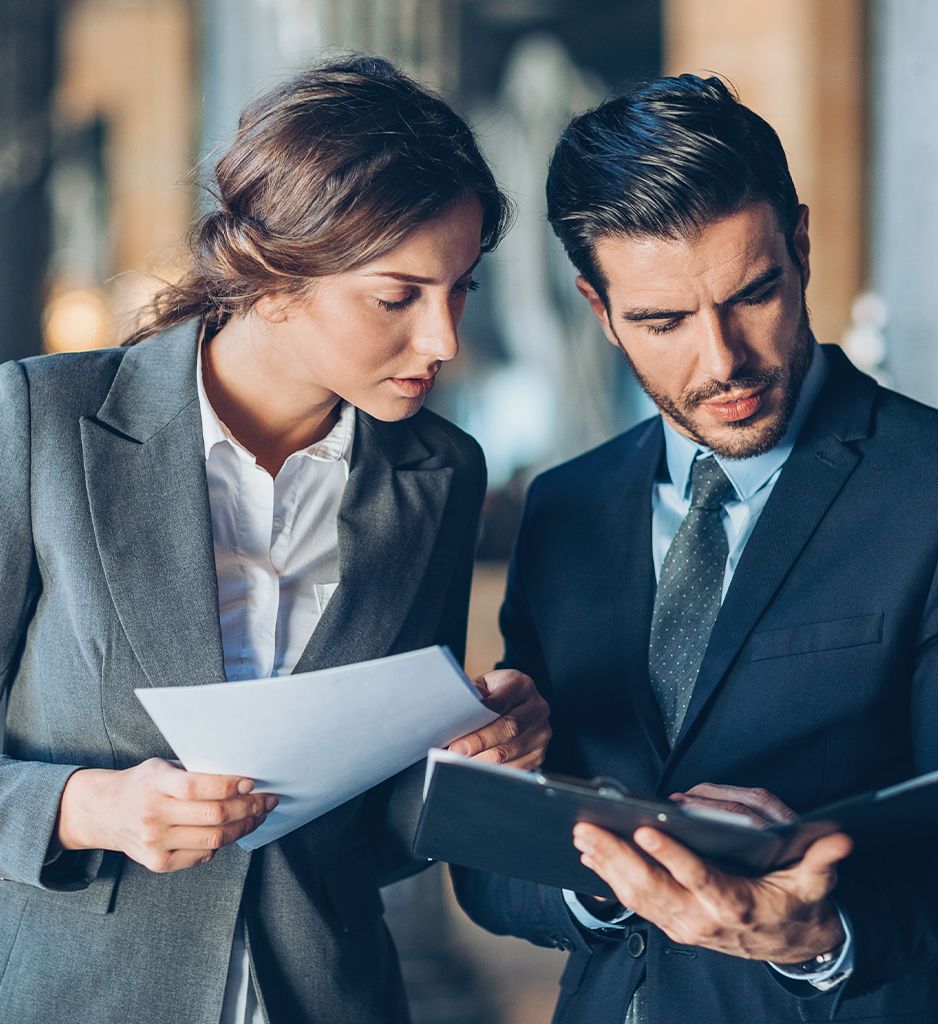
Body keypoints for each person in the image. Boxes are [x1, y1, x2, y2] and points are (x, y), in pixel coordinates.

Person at [453, 74, 938, 1023]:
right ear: (599, 310)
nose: (720, 362)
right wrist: (604, 879)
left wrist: (816, 935)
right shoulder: (567, 508)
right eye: (662, 322)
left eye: (751, 294)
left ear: (800, 247)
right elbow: (497, 868)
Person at [0, 56, 551, 1024]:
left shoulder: (438, 473)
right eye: (397, 297)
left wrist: (465, 766)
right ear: (273, 275)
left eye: (460, 288)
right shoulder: (42, 421)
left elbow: (375, 835)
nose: (443, 340)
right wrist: (87, 807)